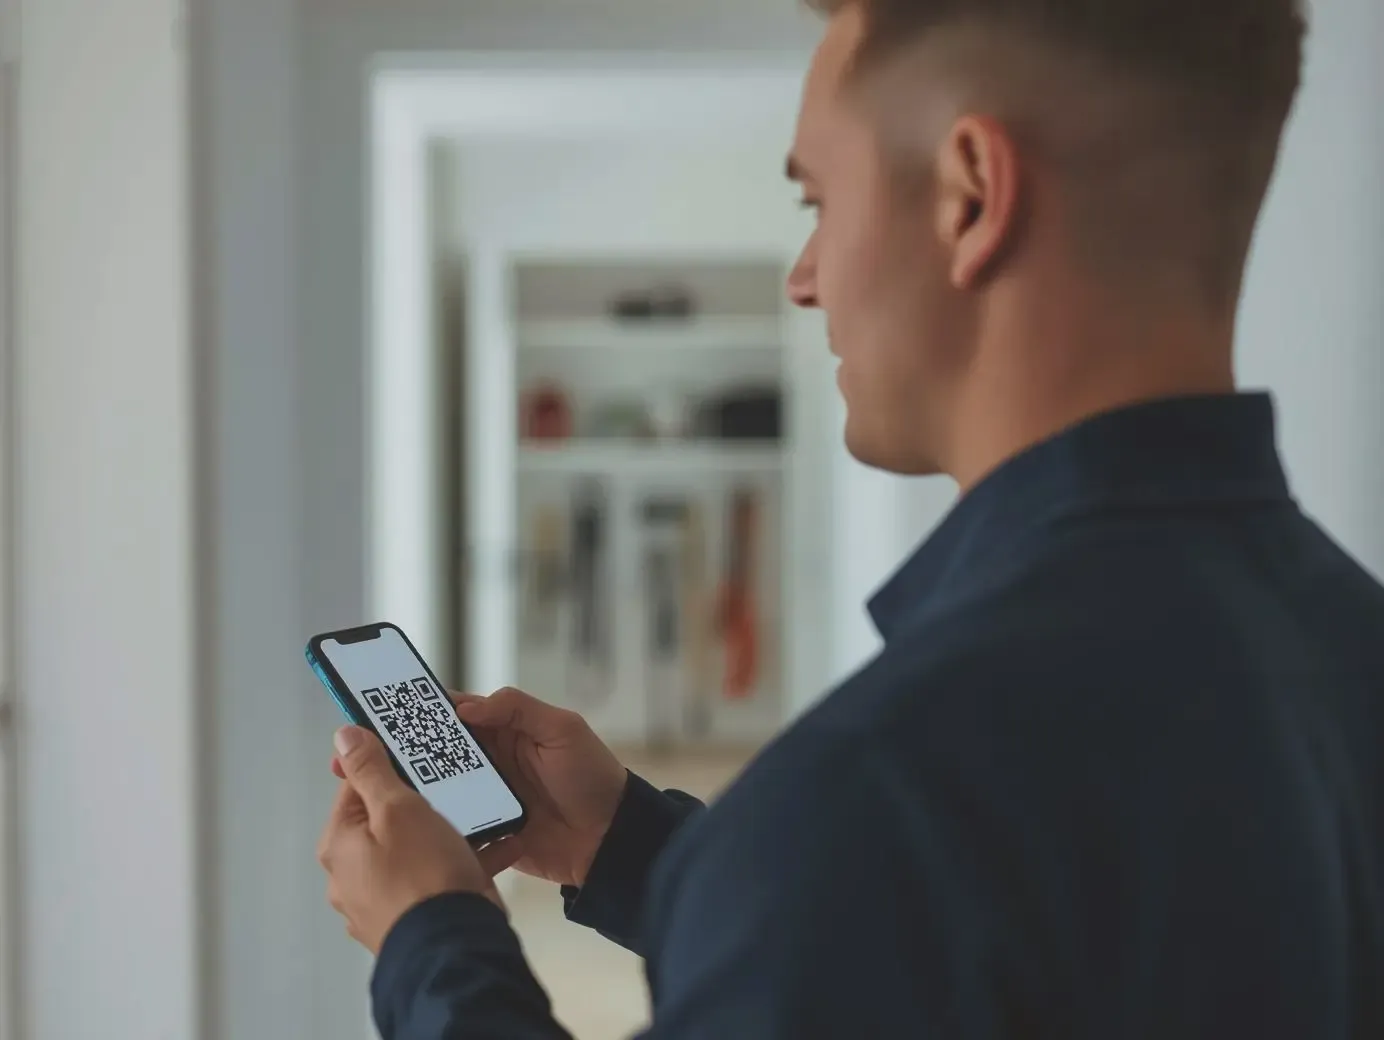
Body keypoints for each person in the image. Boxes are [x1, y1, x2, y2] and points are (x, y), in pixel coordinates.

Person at [318, 0, 1384, 1036]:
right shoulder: (1348, 650)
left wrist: (430, 940)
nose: (802, 278)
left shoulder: (886, 789)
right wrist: (633, 845)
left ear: (970, 197)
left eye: (816, 201)